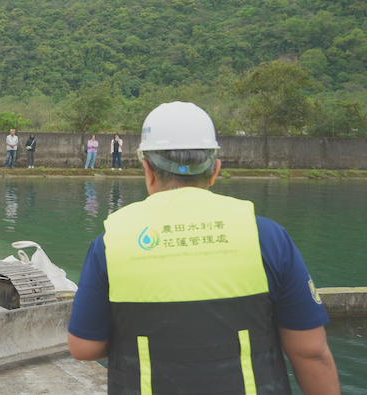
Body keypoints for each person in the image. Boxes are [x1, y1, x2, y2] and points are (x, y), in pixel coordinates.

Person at [68, 102, 339, 395]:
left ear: (147, 169)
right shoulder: (267, 236)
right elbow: (311, 353)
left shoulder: (111, 241)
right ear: (215, 170)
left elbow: (83, 347)